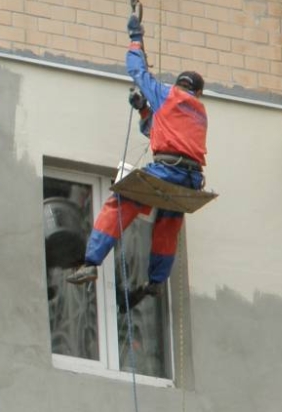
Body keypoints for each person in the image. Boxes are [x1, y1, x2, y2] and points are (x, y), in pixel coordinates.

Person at [66, 11, 207, 310]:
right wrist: (145, 110)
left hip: (168, 170)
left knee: (122, 201)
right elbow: (162, 134)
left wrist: (135, 38)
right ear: (198, 92)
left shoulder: (169, 96)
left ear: (179, 85)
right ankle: (156, 282)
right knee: (169, 220)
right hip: (191, 179)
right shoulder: (199, 112)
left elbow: (137, 70)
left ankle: (91, 262)